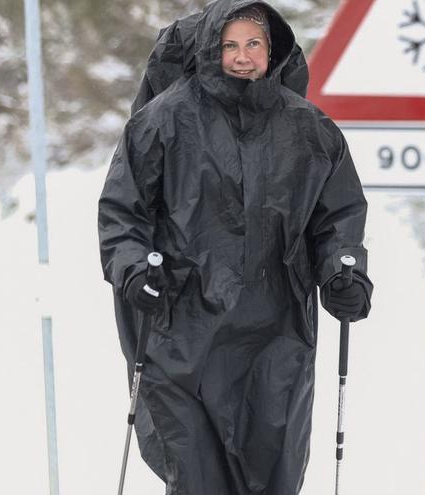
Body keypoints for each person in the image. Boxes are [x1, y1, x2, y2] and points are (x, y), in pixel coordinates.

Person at [98, 1, 372, 493]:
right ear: (210, 48)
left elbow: (336, 219)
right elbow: (123, 212)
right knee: (197, 479)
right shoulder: (163, 121)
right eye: (230, 45)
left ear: (274, 50)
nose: (242, 56)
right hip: (182, 334)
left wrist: (342, 275)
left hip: (277, 336)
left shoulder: (310, 130)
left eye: (253, 44)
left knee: (274, 477)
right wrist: (134, 270)